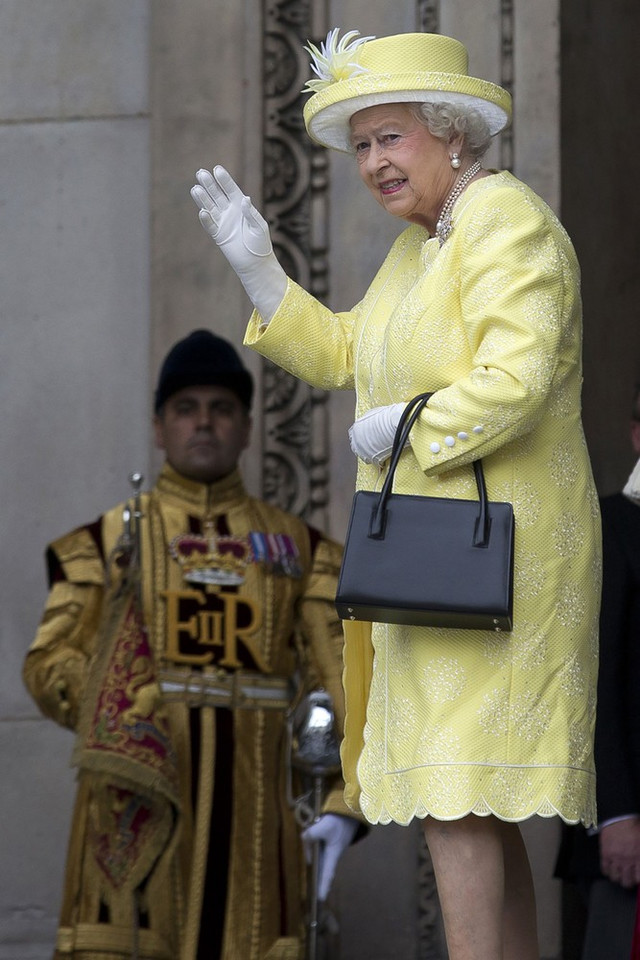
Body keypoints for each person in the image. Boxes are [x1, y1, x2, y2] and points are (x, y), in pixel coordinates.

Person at [190, 29, 602, 960]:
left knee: (456, 801)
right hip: (434, 568)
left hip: (496, 564)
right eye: (361, 143)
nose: (374, 161)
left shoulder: (503, 217)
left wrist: (409, 425)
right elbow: (345, 353)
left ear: (452, 134)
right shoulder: (419, 251)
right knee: (471, 810)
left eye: (391, 138)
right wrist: (261, 271)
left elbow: (521, 373)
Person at [23, 329, 359, 960]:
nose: (204, 423)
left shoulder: (305, 552)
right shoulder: (101, 545)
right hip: (136, 804)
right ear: (159, 426)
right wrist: (123, 712)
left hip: (260, 816)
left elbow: (341, 679)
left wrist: (345, 800)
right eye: (186, 408)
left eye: (221, 408)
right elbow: (47, 662)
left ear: (247, 428)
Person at [555, 382, 640, 959]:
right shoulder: (608, 524)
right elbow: (590, 677)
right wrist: (615, 812)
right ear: (638, 435)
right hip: (626, 827)